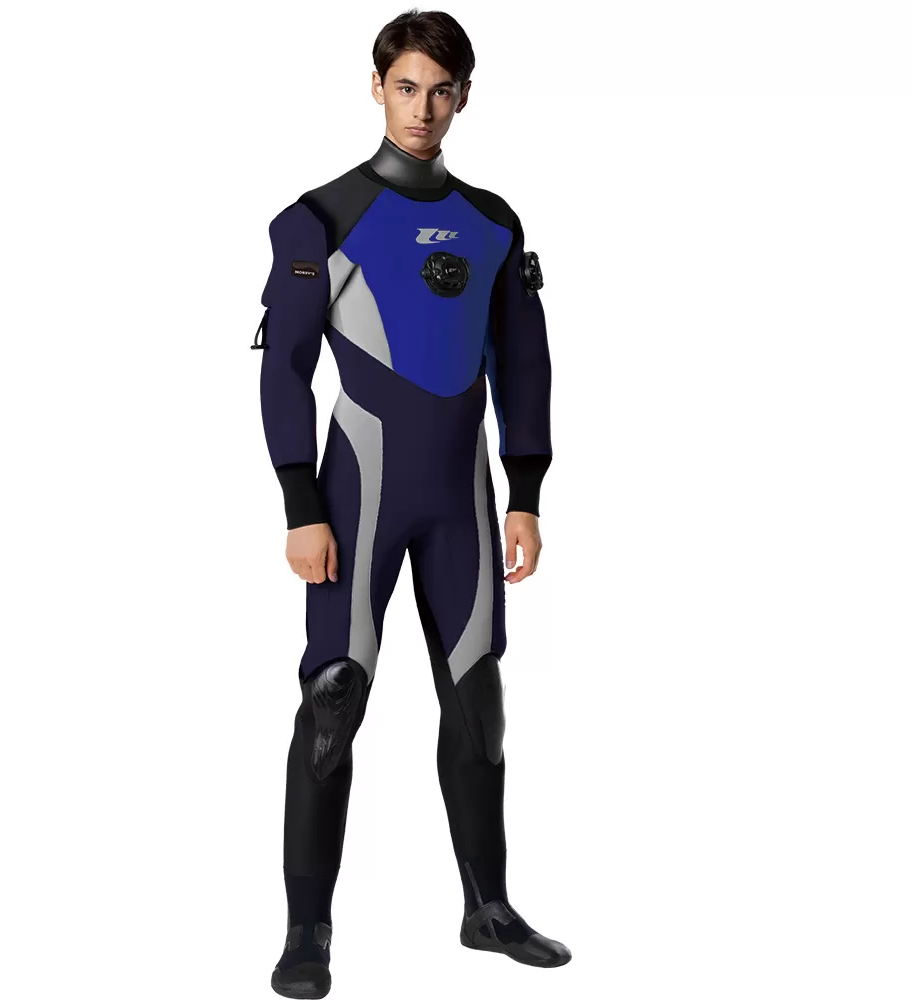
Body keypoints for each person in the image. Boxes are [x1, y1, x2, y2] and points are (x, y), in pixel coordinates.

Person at [253, 9, 570, 997]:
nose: (422, 108)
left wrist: (525, 491)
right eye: (405, 87)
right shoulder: (320, 218)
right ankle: (307, 933)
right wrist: (301, 504)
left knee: (478, 700)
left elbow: (524, 363)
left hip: (463, 500)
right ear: (376, 87)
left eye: (440, 91)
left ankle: (487, 908)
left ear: (464, 96)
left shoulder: (493, 223)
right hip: (358, 494)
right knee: (333, 699)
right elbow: (283, 371)